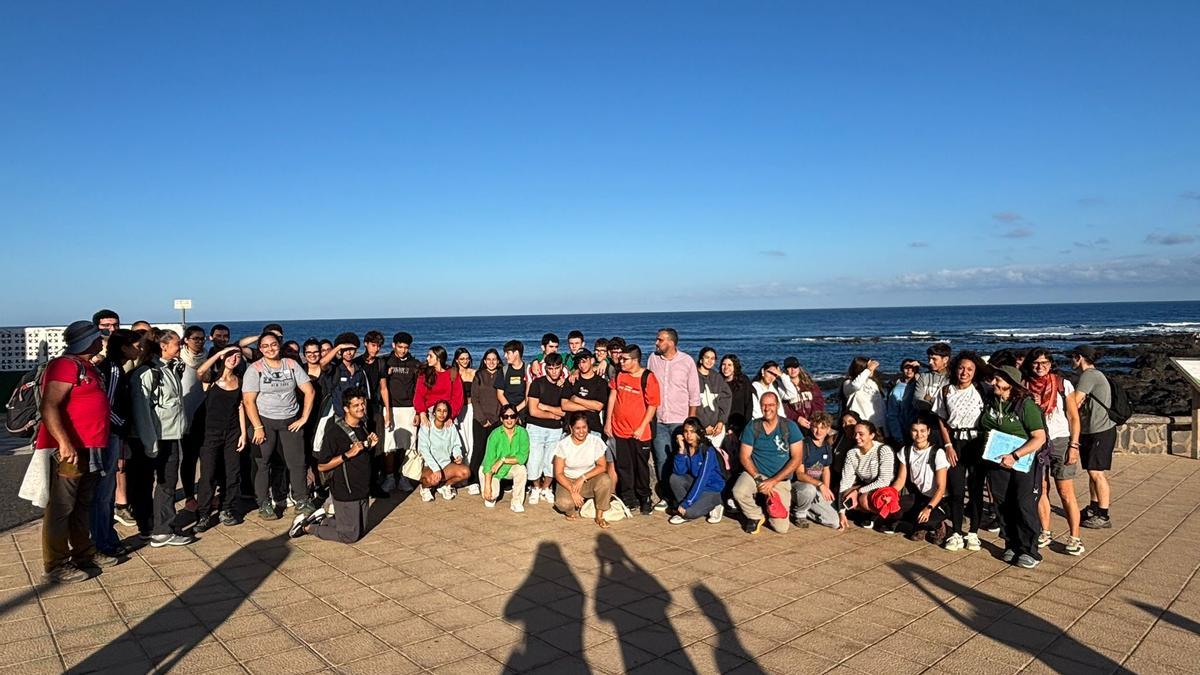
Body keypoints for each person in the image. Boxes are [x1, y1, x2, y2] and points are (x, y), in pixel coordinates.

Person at [38, 321, 121, 583]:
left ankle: (83, 554)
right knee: (62, 506)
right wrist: (64, 442)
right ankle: (56, 564)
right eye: (99, 337)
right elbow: (50, 405)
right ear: (88, 340)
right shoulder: (65, 365)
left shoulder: (88, 367)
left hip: (92, 447)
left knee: (83, 503)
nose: (103, 341)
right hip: (72, 448)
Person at [129, 329, 197, 547]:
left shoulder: (168, 369)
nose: (181, 347)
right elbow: (142, 411)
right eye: (177, 343)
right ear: (163, 346)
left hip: (170, 434)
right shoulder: (149, 372)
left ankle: (157, 526)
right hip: (158, 437)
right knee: (163, 484)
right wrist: (150, 443)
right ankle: (160, 530)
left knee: (164, 483)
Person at [242, 332, 315, 520]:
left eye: (273, 345)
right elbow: (248, 401)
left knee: (297, 463)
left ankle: (301, 500)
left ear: (279, 345)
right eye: (265, 346)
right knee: (262, 463)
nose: (270, 349)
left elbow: (309, 391)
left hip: (290, 420)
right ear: (260, 349)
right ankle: (264, 503)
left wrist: (304, 418)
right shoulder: (255, 369)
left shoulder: (291, 365)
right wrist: (257, 427)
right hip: (264, 421)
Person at [981, 365, 1048, 568]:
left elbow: (1039, 437)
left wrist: (1015, 455)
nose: (994, 383)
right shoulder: (991, 400)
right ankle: (1011, 543)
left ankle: (1029, 550)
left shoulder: (1025, 406)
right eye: (994, 379)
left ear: (1012, 383)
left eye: (999, 380)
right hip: (996, 462)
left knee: (1023, 504)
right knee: (1002, 503)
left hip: (1022, 463)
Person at [291, 388, 378, 543]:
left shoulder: (362, 426)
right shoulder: (335, 432)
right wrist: (347, 454)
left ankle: (322, 520)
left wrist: (370, 445)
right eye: (356, 405)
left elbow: (361, 454)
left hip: (362, 489)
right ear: (346, 408)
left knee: (360, 530)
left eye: (362, 404)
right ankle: (306, 527)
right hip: (345, 490)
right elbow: (322, 466)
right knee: (350, 536)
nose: (361, 408)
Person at [1023, 348, 1084, 555]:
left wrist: (1074, 446)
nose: (1040, 367)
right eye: (1036, 363)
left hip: (1060, 440)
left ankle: (1075, 537)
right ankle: (1045, 531)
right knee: (1041, 489)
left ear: (1051, 364)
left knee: (1066, 492)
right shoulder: (1024, 385)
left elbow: (1074, 417)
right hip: (1036, 440)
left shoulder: (1062, 384)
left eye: (1045, 363)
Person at [935, 351, 987, 552]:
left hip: (977, 442)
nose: (965, 372)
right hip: (955, 443)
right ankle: (956, 531)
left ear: (975, 372)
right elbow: (941, 419)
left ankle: (973, 532)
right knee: (956, 490)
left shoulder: (982, 389)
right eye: (961, 368)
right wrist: (947, 445)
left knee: (975, 489)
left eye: (970, 369)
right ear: (955, 368)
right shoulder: (946, 390)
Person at [93, 329, 137, 558]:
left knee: (106, 491)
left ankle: (107, 537)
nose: (138, 349)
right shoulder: (112, 369)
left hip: (112, 435)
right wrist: (121, 427)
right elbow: (107, 406)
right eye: (134, 345)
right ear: (124, 347)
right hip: (109, 436)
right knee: (104, 491)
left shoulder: (115, 368)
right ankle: (103, 541)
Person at [734, 392, 804, 534]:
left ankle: (768, 505)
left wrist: (773, 481)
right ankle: (755, 515)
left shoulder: (790, 427)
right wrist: (758, 478)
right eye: (764, 405)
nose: (767, 408)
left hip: (779, 479)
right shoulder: (753, 426)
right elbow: (744, 456)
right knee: (738, 491)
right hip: (756, 473)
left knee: (781, 529)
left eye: (771, 404)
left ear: (777, 406)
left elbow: (797, 458)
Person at [647, 328, 700, 511]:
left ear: (670, 342)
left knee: (682, 458)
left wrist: (691, 423)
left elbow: (694, 394)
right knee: (661, 459)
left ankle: (685, 495)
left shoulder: (687, 362)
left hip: (680, 420)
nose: (656, 343)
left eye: (659, 340)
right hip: (659, 419)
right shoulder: (653, 359)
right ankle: (666, 496)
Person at [193, 346, 246, 529]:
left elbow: (241, 407)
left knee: (232, 473)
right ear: (223, 357)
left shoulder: (240, 380)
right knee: (208, 474)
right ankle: (204, 514)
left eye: (237, 356)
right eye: (230, 355)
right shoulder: (212, 379)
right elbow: (200, 372)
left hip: (232, 432)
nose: (234, 358)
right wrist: (218, 354)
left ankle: (226, 508)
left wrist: (243, 435)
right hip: (210, 433)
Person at [605, 344, 660, 515]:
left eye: (625, 359)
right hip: (619, 430)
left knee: (641, 467)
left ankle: (645, 497)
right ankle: (629, 499)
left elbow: (653, 405)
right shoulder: (619, 374)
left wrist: (642, 426)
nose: (621, 361)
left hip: (639, 433)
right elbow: (613, 396)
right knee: (624, 467)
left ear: (635, 360)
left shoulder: (648, 377)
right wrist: (608, 422)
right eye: (620, 358)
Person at [1068, 345, 1117, 530]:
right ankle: (1094, 507)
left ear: (1079, 358)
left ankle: (1103, 515)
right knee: (1092, 471)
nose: (1070, 361)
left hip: (1100, 430)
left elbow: (1076, 400)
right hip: (1093, 430)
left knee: (1097, 473)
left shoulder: (1089, 375)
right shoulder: (1094, 375)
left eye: (1072, 357)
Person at [891, 417, 950, 543]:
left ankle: (938, 525)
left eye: (922, 431)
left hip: (938, 499)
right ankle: (920, 525)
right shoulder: (906, 451)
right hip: (919, 496)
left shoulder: (937, 453)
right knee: (894, 508)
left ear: (928, 431)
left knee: (927, 518)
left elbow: (941, 488)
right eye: (915, 431)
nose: (919, 435)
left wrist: (929, 508)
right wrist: (889, 494)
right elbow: (900, 480)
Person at [553, 412, 613, 528]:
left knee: (605, 480)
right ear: (571, 428)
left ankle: (599, 515)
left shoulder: (595, 441)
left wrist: (582, 478)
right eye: (577, 428)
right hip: (568, 479)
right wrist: (573, 490)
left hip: (588, 478)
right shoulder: (563, 445)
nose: (581, 431)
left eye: (584, 427)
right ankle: (571, 511)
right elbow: (559, 473)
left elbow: (602, 466)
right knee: (563, 503)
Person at [836, 421, 895, 531]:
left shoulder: (884, 450)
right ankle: (865, 515)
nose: (857, 437)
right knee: (845, 495)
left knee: (863, 499)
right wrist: (841, 513)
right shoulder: (852, 453)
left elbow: (884, 481)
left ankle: (885, 517)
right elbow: (845, 481)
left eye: (861, 434)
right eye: (855, 433)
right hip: (867, 485)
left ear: (872, 435)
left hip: (886, 488)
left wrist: (858, 491)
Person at [667, 417, 726, 525]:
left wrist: (686, 503)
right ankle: (684, 510)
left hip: (711, 489)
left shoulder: (707, 450)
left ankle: (716, 504)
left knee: (689, 512)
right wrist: (681, 451)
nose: (688, 435)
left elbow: (702, 479)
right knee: (674, 478)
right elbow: (679, 472)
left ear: (698, 433)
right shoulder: (687, 447)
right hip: (696, 484)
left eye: (692, 432)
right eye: (686, 432)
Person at [526, 353, 567, 505]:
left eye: (557, 368)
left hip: (556, 430)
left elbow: (564, 410)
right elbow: (533, 411)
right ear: (546, 368)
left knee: (551, 462)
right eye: (550, 368)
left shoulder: (565, 385)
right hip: (536, 427)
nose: (554, 371)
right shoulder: (537, 384)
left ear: (561, 367)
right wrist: (553, 415)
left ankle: (546, 488)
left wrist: (546, 407)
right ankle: (535, 488)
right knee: (534, 460)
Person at [381, 332, 420, 490]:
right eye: (400, 347)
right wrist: (387, 412)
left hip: (409, 408)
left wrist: (418, 412)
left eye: (406, 347)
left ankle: (404, 476)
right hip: (390, 408)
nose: (403, 350)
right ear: (393, 345)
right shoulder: (385, 361)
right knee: (389, 445)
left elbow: (419, 389)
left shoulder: (415, 364)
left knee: (408, 444)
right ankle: (389, 477)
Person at [177, 325, 208, 522]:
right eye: (196, 338)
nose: (200, 341)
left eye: (202, 338)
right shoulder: (178, 361)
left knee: (207, 458)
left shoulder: (207, 357)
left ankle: (207, 494)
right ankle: (189, 496)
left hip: (203, 414)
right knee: (188, 459)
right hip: (184, 415)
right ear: (186, 340)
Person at [791, 412, 840, 529]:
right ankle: (799, 513)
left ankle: (805, 510)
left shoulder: (827, 447)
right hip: (800, 486)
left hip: (817, 487)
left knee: (834, 521)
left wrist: (826, 489)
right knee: (809, 489)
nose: (818, 431)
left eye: (823, 428)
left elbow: (826, 470)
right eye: (815, 427)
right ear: (810, 426)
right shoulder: (804, 444)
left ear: (828, 429)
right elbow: (799, 474)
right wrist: (820, 484)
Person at [417, 400, 470, 501]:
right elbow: (424, 450)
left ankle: (445, 486)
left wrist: (458, 455)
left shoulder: (450, 427)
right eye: (439, 410)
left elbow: (456, 444)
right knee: (432, 479)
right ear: (434, 412)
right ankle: (425, 488)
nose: (442, 414)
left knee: (465, 472)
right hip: (429, 465)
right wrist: (436, 468)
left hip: (445, 464)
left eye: (445, 411)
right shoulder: (426, 427)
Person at [479, 405, 529, 511]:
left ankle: (516, 502)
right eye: (506, 417)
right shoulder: (495, 434)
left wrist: (502, 460)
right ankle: (487, 485)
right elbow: (489, 461)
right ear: (501, 419)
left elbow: (522, 457)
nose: (509, 419)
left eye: (512, 416)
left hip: (508, 465)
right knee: (491, 497)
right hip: (491, 469)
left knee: (522, 470)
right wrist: (488, 487)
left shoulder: (522, 433)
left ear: (516, 418)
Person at [469, 349, 503, 493]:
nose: (491, 362)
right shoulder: (479, 375)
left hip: (496, 419)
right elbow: (474, 398)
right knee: (479, 449)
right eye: (488, 359)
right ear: (484, 361)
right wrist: (482, 419)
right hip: (479, 419)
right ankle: (473, 481)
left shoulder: (502, 375)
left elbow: (502, 398)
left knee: (496, 451)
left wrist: (495, 419)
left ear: (498, 361)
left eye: (494, 359)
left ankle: (497, 479)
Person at [414, 346, 465, 427]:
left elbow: (458, 397)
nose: (427, 358)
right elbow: (419, 395)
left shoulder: (452, 373)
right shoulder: (424, 374)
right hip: (429, 413)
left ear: (439, 358)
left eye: (430, 356)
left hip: (447, 412)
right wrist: (422, 413)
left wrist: (451, 416)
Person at [696, 347, 731, 449]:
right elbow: (693, 402)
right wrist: (705, 424)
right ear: (701, 359)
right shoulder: (693, 376)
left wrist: (721, 422)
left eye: (713, 358)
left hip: (717, 428)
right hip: (699, 427)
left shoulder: (717, 377)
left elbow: (726, 399)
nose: (710, 361)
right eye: (707, 357)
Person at [452, 347, 477, 490]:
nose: (465, 361)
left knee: (471, 441)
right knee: (459, 442)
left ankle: (471, 477)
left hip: (471, 409)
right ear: (456, 360)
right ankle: (460, 475)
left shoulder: (474, 373)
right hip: (457, 410)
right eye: (462, 359)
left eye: (467, 358)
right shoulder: (453, 374)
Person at [782, 356, 825, 433]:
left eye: (795, 367)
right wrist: (797, 418)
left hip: (813, 422)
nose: (793, 370)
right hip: (794, 425)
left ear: (799, 367)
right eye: (789, 367)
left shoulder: (809, 384)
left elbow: (819, 400)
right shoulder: (782, 388)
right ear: (785, 370)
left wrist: (814, 417)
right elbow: (783, 408)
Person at [841, 357, 886, 428]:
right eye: (869, 367)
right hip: (861, 426)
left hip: (878, 425)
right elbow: (856, 385)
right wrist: (868, 370)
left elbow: (881, 406)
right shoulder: (848, 383)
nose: (872, 370)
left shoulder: (872, 382)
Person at [886, 359, 920, 445]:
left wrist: (921, 365)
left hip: (920, 429)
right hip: (905, 430)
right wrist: (898, 436)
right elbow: (892, 415)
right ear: (902, 369)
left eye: (912, 368)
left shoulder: (921, 383)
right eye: (906, 368)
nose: (909, 370)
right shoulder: (897, 389)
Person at [913, 343, 952, 415]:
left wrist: (929, 398)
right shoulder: (923, 377)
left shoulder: (952, 378)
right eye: (929, 359)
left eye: (934, 359)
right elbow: (917, 402)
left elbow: (950, 404)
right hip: (924, 420)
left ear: (945, 359)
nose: (930, 362)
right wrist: (937, 403)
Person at [495, 340, 530, 420]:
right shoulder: (504, 370)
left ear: (516, 353)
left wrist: (516, 410)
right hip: (507, 414)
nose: (505, 356)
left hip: (524, 413)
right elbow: (500, 394)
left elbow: (530, 395)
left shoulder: (528, 369)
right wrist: (510, 410)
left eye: (508, 353)